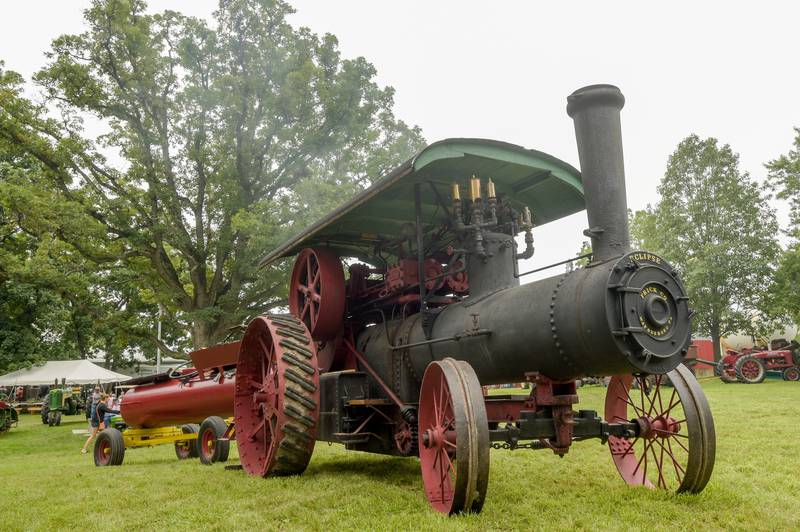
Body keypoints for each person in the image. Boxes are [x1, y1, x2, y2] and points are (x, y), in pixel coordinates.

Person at [80, 389, 103, 454]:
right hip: (96, 420)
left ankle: (99, 448)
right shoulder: (98, 405)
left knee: (98, 435)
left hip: (94, 420)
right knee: (93, 435)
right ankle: (84, 449)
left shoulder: (93, 403)